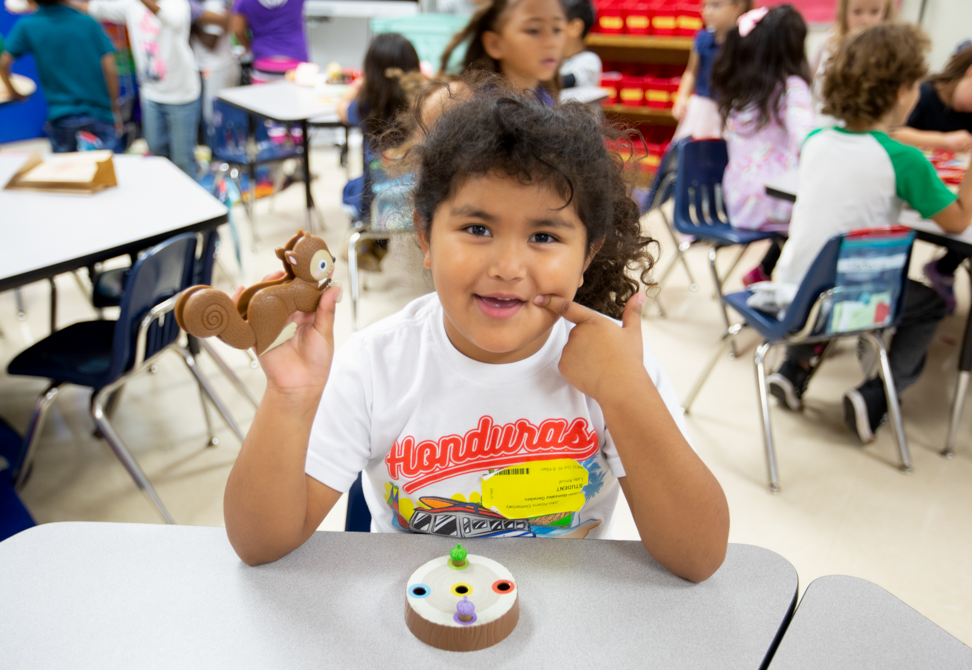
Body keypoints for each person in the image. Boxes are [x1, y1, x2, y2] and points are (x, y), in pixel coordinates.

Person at [222, 86, 731, 582]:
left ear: (587, 256)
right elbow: (259, 545)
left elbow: (699, 556)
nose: (508, 266)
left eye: (544, 236)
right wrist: (289, 397)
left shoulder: (619, 365)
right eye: (478, 229)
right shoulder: (375, 365)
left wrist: (627, 394)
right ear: (425, 236)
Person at [766, 24, 972, 443]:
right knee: (931, 305)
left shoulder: (817, 141)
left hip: (794, 294)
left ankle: (793, 368)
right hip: (852, 306)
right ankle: (877, 393)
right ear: (901, 91)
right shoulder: (905, 160)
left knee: (833, 271)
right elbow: (958, 220)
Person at [709, 5, 814, 285]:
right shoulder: (791, 86)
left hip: (738, 197)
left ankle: (763, 271)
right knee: (822, 213)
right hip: (774, 200)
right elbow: (807, 139)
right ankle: (795, 292)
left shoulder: (741, 84)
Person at [77, 0, 202, 177]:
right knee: (157, 152)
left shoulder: (177, 4)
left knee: (182, 159)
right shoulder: (132, 6)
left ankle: (191, 199)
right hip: (151, 95)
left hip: (182, 95)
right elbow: (96, 8)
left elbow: (173, 21)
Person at [891, 44, 972, 313]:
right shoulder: (923, 95)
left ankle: (945, 268)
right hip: (917, 191)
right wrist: (943, 140)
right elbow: (893, 132)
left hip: (942, 188)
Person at [337, 32, 423, 272]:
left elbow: (341, 109)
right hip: (421, 199)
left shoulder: (365, 106)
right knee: (389, 183)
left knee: (355, 188)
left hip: (376, 201)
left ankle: (367, 240)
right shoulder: (426, 105)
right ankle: (374, 246)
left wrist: (356, 86)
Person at [0, 0, 120, 152]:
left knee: (64, 172)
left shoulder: (29, 25)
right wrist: (114, 108)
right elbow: (109, 66)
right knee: (106, 171)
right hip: (99, 113)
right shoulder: (88, 22)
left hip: (61, 116)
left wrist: (13, 92)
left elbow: (3, 63)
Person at [439, 0, 567, 104]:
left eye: (557, 29)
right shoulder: (457, 99)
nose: (552, 43)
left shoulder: (548, 103)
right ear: (494, 44)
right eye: (533, 30)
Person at [672, 0, 750, 141]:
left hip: (730, 111)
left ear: (738, 7)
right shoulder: (702, 38)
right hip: (701, 109)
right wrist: (682, 97)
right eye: (705, 5)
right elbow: (691, 72)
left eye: (716, 5)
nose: (708, 11)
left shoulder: (744, 43)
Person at [809, 0, 894, 126]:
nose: (866, 20)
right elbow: (809, 75)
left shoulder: (887, 52)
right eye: (857, 12)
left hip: (865, 129)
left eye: (875, 12)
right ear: (844, 13)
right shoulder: (829, 42)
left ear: (886, 13)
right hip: (825, 123)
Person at [189, 0, 239, 136]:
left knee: (215, 118)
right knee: (211, 118)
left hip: (219, 68)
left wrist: (191, 25)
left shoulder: (213, 5)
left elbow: (211, 41)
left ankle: (221, 154)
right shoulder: (199, 6)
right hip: (209, 67)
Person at [231, 0, 307, 64]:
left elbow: (238, 30)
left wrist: (247, 47)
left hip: (263, 60)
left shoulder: (244, 1)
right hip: (297, 58)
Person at [558, 0, 600, 89]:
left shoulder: (589, 60)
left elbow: (565, 81)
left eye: (555, 26)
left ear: (575, 27)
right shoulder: (556, 59)